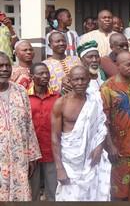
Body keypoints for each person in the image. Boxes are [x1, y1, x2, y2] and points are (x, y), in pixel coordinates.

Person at [51, 66, 111, 201]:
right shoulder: (61, 103)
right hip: (70, 162)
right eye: (76, 79)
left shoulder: (95, 100)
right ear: (70, 81)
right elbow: (55, 137)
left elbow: (101, 126)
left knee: (95, 196)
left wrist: (100, 146)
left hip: (92, 160)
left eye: (83, 79)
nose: (79, 83)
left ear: (89, 80)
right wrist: (59, 168)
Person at [100, 51, 130, 201]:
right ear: (117, 65)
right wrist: (110, 145)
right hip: (119, 148)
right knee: (119, 186)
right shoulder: (108, 87)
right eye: (128, 65)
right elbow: (103, 120)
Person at [0, 52, 41, 201]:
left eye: (7, 66)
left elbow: (28, 124)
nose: (4, 69)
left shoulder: (20, 91)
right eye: (0, 66)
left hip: (19, 157)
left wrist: (32, 155)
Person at [28, 63, 59, 201]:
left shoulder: (57, 97)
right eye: (40, 73)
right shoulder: (24, 96)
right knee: (32, 191)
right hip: (31, 153)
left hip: (51, 150)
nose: (45, 76)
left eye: (46, 73)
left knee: (53, 190)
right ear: (31, 77)